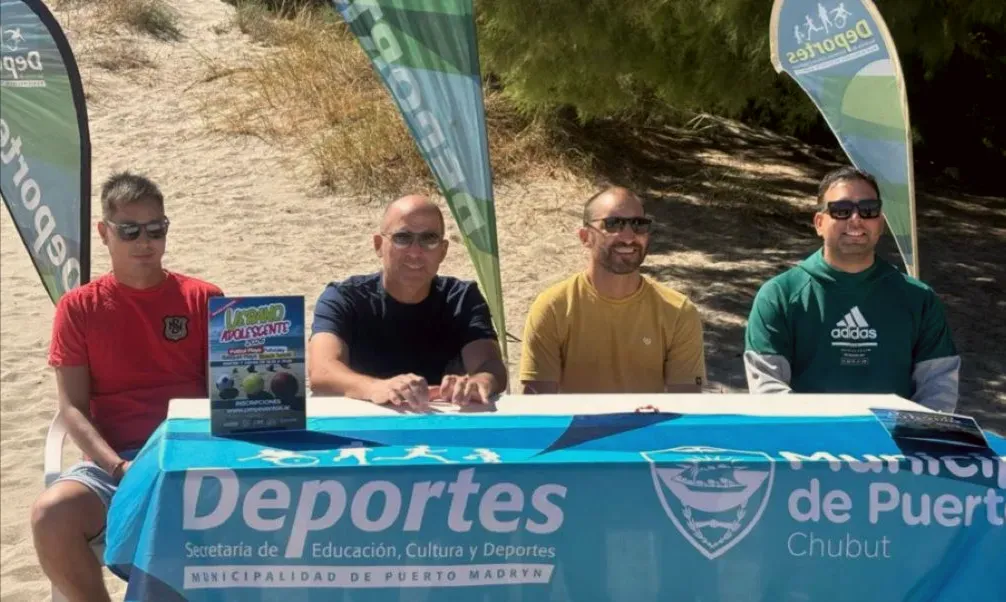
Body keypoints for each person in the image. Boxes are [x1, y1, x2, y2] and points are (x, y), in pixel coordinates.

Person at [30, 172, 224, 601]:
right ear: (104, 232)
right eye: (130, 230)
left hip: (191, 458)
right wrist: (119, 467)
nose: (145, 241)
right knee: (51, 515)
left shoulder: (204, 298)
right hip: (115, 466)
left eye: (156, 229)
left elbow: (226, 395)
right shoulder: (78, 307)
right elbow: (72, 409)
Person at [743, 166, 960, 412]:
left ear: (880, 222)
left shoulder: (920, 299)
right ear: (819, 223)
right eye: (842, 210)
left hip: (895, 446)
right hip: (808, 443)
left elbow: (939, 387)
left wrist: (919, 436)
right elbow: (768, 389)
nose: (856, 219)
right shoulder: (779, 295)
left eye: (868, 210)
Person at [308, 194, 507, 408]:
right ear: (378, 245)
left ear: (443, 250)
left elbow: (491, 366)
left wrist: (479, 382)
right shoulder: (343, 298)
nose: (415, 252)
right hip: (360, 430)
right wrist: (376, 388)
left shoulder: (461, 298)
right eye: (403, 238)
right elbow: (322, 371)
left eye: (429, 239)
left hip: (441, 427)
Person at [519, 186, 708, 394]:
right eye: (613, 224)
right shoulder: (553, 308)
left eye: (639, 224)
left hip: (650, 427)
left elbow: (685, 406)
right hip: (578, 427)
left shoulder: (678, 311)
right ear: (585, 237)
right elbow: (538, 405)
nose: (628, 236)